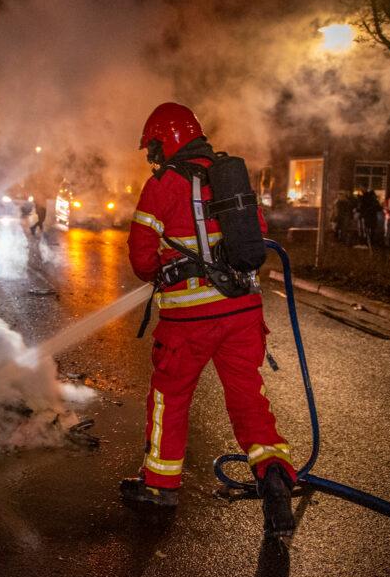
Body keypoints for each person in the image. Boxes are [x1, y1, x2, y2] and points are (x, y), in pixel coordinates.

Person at [121, 102, 296, 537]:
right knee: (248, 398)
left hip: (189, 322)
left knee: (170, 395)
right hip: (243, 313)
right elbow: (254, 232)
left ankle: (160, 485)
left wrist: (165, 261)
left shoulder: (161, 186)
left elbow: (142, 260)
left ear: (170, 140)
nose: (153, 157)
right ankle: (273, 471)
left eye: (155, 147)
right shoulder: (229, 175)